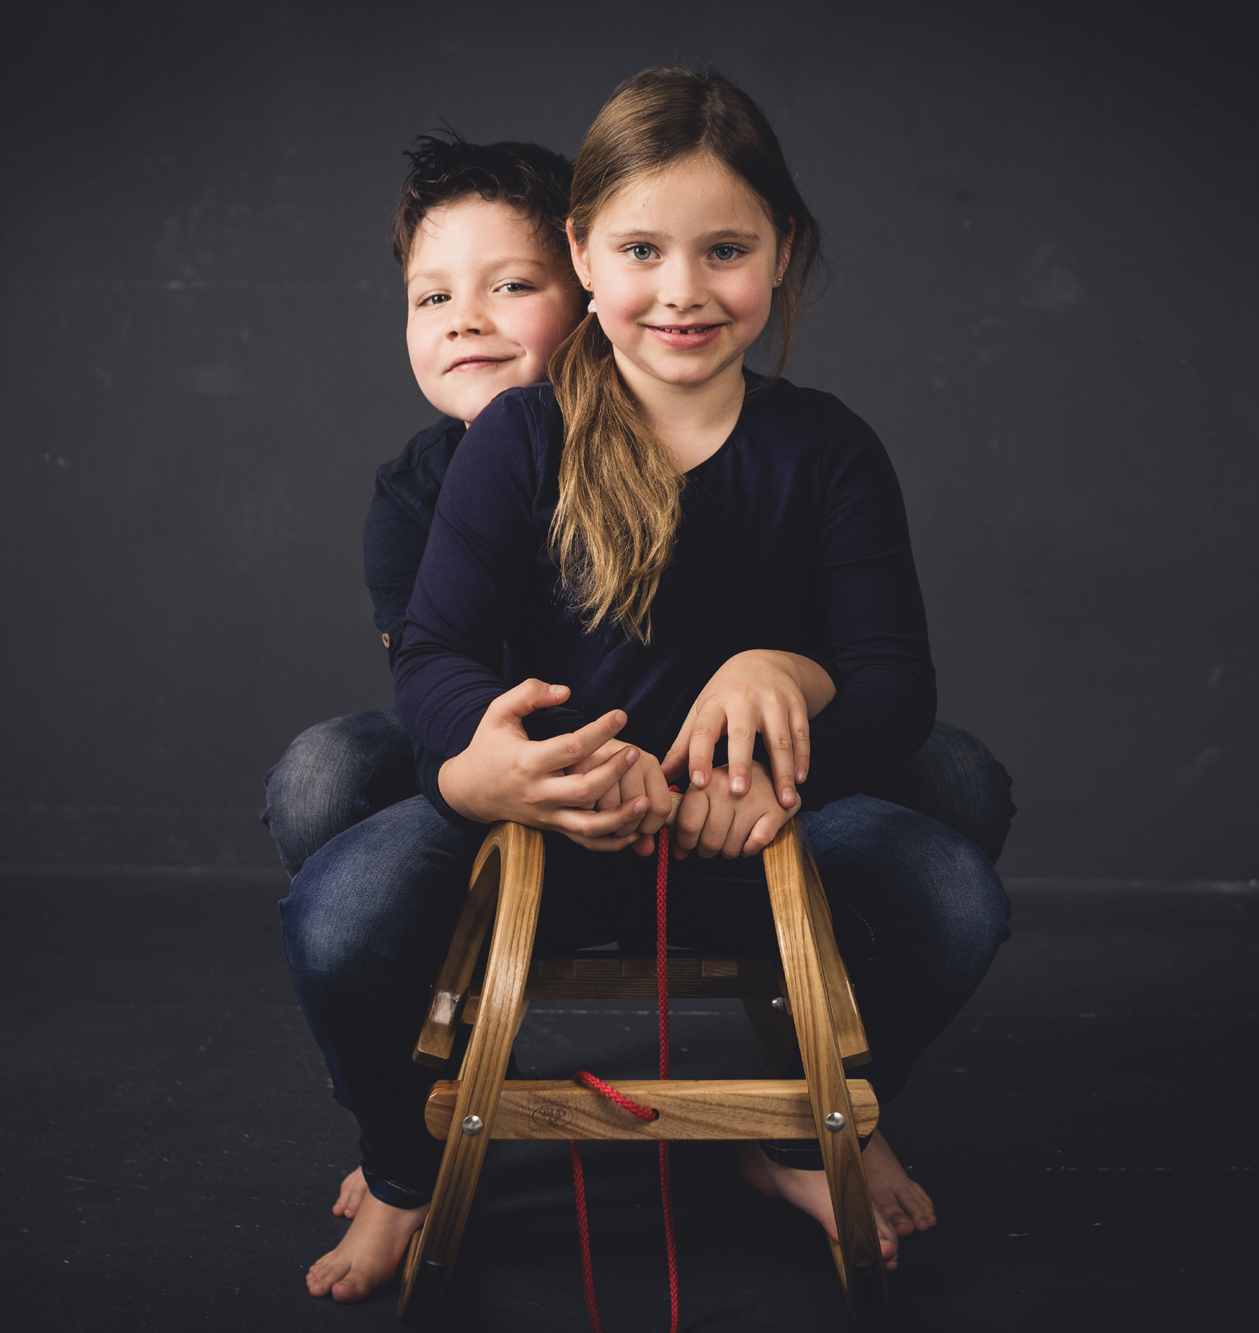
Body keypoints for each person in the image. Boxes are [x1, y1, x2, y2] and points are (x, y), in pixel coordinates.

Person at [279, 68, 1011, 1303]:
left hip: (748, 828)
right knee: (336, 916)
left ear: (782, 252)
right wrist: (490, 767)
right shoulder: (518, 437)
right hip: (549, 820)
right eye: (638, 252)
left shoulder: (825, 446)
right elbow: (439, 655)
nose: (682, 290)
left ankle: (813, 1126)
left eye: (725, 250)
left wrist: (785, 729)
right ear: (584, 256)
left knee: (954, 896)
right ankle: (402, 1159)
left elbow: (893, 680)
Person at [258, 139, 1015, 885]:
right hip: (525, 743)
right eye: (433, 298)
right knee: (328, 772)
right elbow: (434, 680)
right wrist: (478, 781)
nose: (465, 321)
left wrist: (792, 680)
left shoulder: (789, 440)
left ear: (585, 280)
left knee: (956, 775)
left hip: (730, 737)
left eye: (512, 286)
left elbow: (866, 662)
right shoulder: (423, 487)